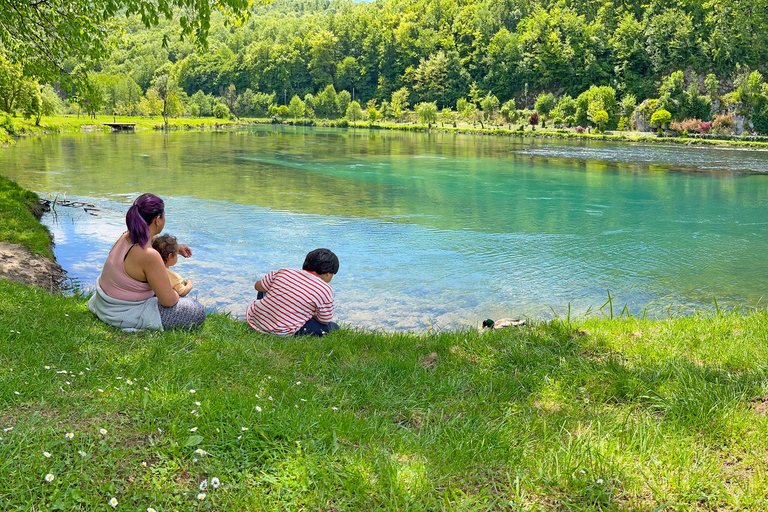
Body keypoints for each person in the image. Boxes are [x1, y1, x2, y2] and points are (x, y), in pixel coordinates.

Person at [88, 193, 206, 331]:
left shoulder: (126, 236)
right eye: (164, 216)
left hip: (105, 304)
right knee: (196, 311)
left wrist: (175, 248)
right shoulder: (149, 255)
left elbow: (152, 239)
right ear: (157, 220)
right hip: (122, 312)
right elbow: (169, 301)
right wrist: (175, 291)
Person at [246, 248, 340, 337]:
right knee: (333, 327)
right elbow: (324, 320)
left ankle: (267, 312)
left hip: (256, 320)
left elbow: (258, 286)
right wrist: (309, 312)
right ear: (328, 274)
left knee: (265, 286)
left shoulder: (284, 271)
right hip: (281, 330)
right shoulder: (325, 288)